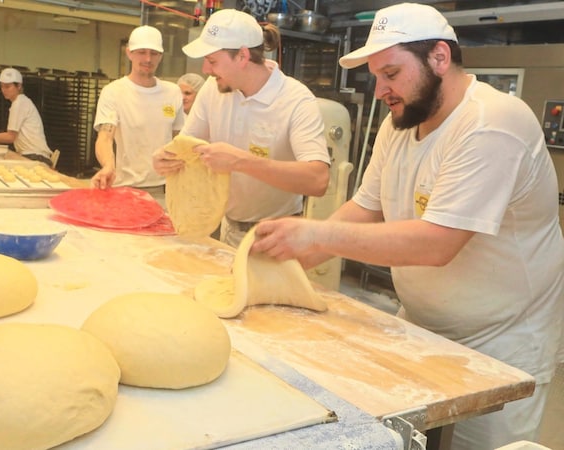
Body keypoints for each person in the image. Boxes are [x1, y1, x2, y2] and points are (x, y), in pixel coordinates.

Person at [250, 4, 564, 449]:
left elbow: (437, 244)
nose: (380, 90)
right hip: (420, 326)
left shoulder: (492, 123)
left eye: (391, 74)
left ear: (439, 57)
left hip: (502, 343)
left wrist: (316, 234)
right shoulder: (401, 121)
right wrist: (281, 265)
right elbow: (366, 207)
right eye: (377, 76)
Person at [153, 9, 330, 247]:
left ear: (243, 56)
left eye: (212, 61)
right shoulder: (212, 89)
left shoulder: (295, 100)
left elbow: (317, 180)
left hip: (277, 237)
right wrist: (166, 157)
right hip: (228, 228)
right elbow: (187, 148)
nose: (205, 70)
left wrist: (241, 162)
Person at [91, 25, 184, 196]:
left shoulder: (172, 92)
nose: (148, 59)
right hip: (125, 188)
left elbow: (180, 139)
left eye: (154, 53)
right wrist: (108, 166)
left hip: (167, 188)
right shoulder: (114, 92)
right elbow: (105, 137)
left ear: (161, 56)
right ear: (129, 53)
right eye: (141, 52)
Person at [0, 67, 55, 167]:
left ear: (19, 86)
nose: (4, 90)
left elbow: (10, 137)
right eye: (2, 86)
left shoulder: (19, 103)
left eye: (7, 87)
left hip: (36, 157)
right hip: (33, 155)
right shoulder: (22, 102)